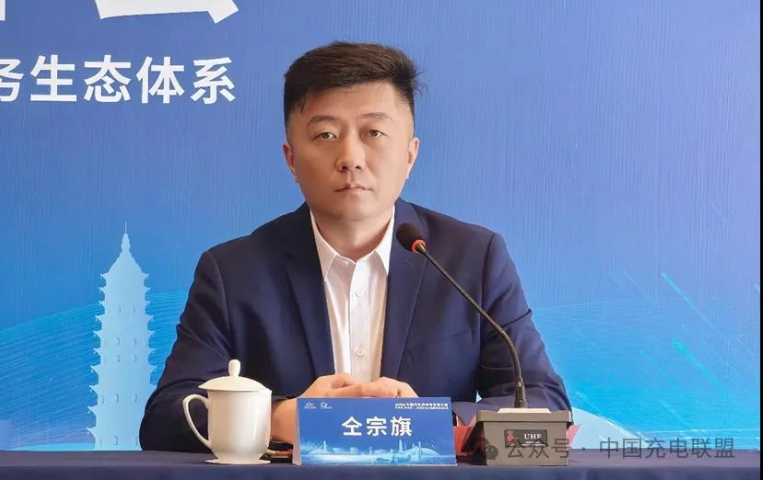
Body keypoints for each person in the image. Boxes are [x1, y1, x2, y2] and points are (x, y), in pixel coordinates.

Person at [139, 42, 570, 451]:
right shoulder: (234, 271)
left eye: (374, 132)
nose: (351, 158)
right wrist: (278, 419)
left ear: (410, 154)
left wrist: (434, 420)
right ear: (291, 159)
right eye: (326, 135)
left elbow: (544, 403)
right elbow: (166, 417)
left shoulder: (472, 258)